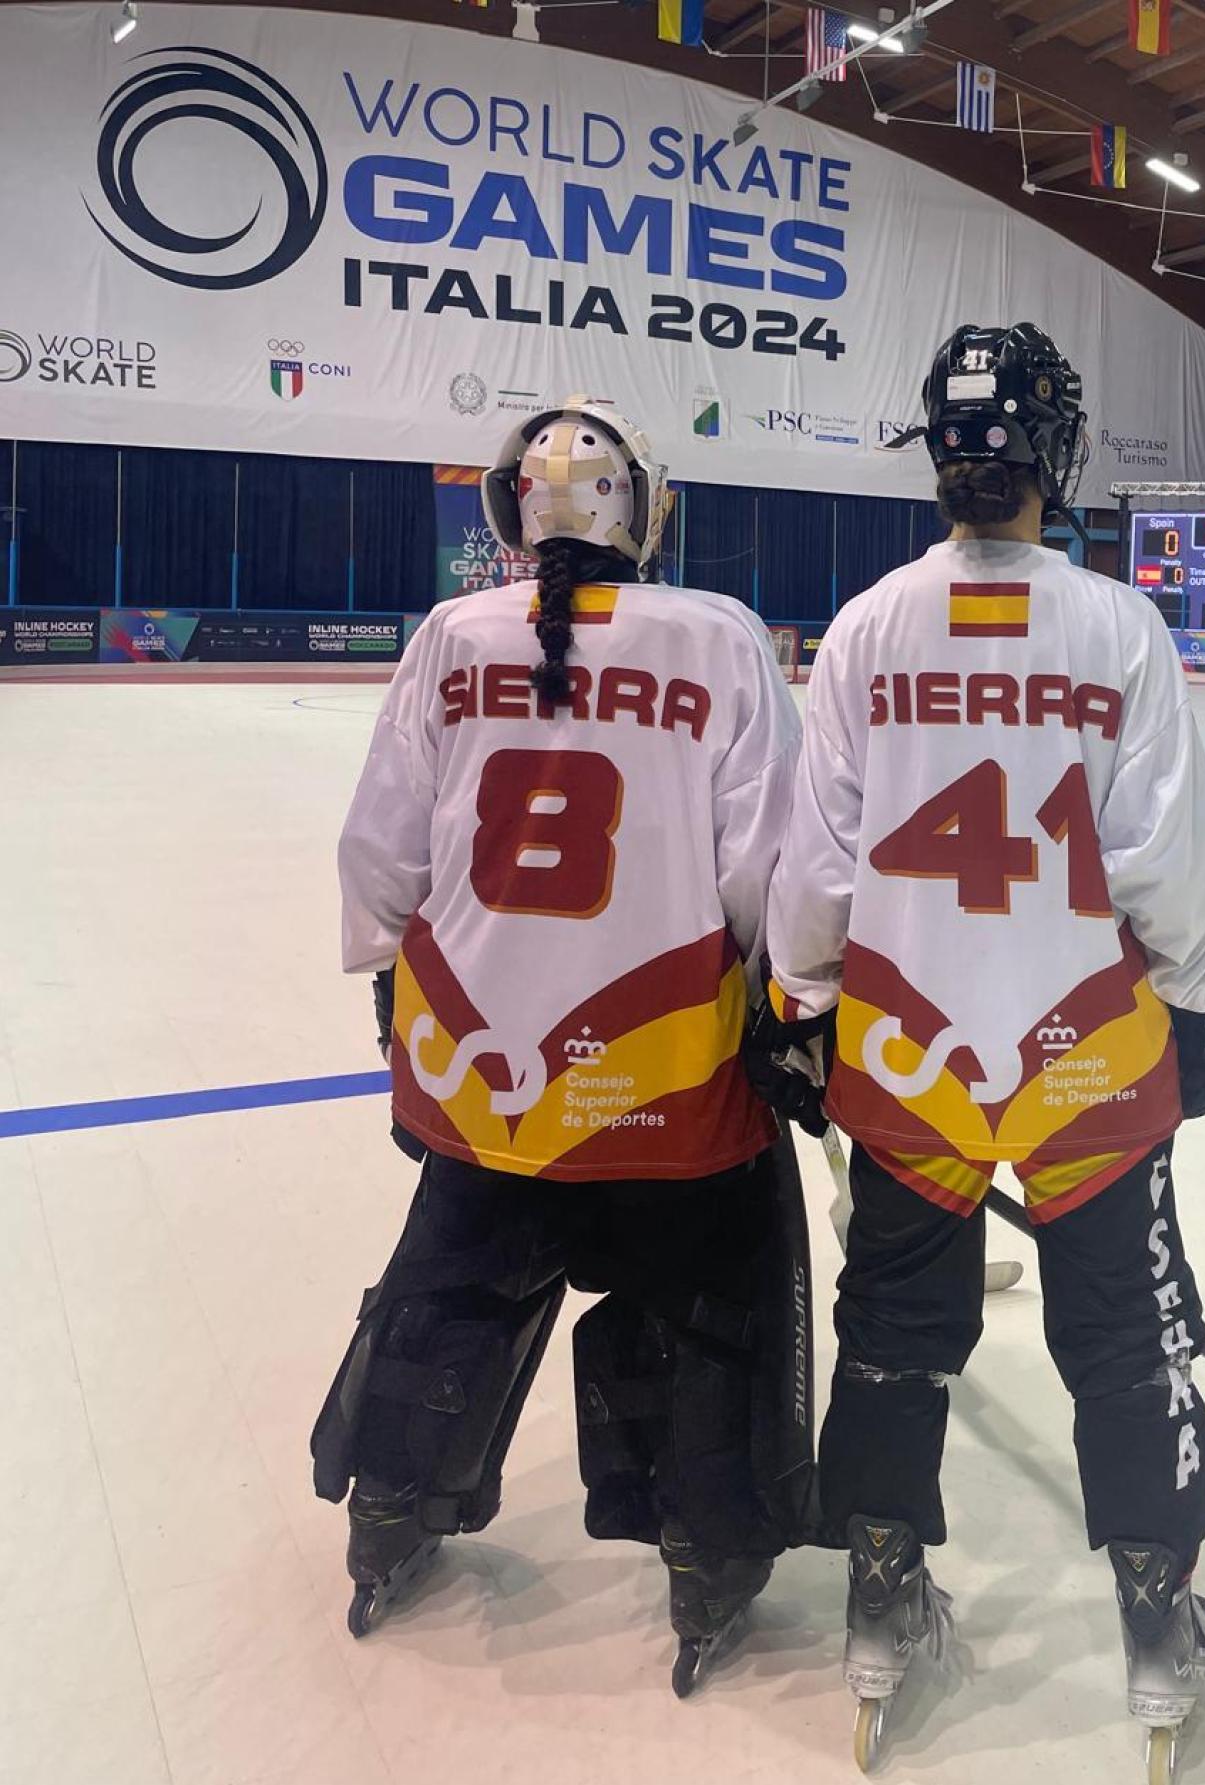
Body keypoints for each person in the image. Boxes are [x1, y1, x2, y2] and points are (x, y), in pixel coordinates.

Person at [751, 325, 1205, 1775]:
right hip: (1083, 1057)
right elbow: (1166, 861)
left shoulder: (862, 629)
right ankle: (1160, 1631)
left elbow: (816, 871)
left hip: (912, 1057)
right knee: (1123, 1338)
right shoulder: (1115, 627)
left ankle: (880, 1603)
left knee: (895, 1336)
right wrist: (1204, 1000)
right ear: (1056, 451)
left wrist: (798, 999)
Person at [311, 397, 812, 1697]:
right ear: (645, 512)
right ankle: (709, 1550)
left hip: (481, 1055)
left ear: (508, 515)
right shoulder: (717, 637)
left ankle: (391, 1506)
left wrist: (386, 982)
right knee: (712, 1299)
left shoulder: (451, 632)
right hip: (665, 1066)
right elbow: (769, 864)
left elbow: (383, 846)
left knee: (456, 1278)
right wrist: (794, 1007)